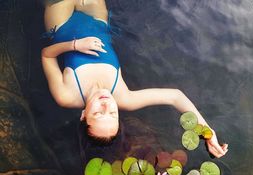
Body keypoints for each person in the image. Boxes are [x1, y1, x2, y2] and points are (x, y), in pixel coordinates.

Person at [41, 0, 228, 158]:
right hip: (97, 21)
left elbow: (46, 55)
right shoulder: (124, 97)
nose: (106, 105)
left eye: (98, 114)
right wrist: (208, 132)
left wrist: (75, 45)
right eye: (112, 114)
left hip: (61, 24)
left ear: (83, 115)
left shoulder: (66, 96)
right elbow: (175, 97)